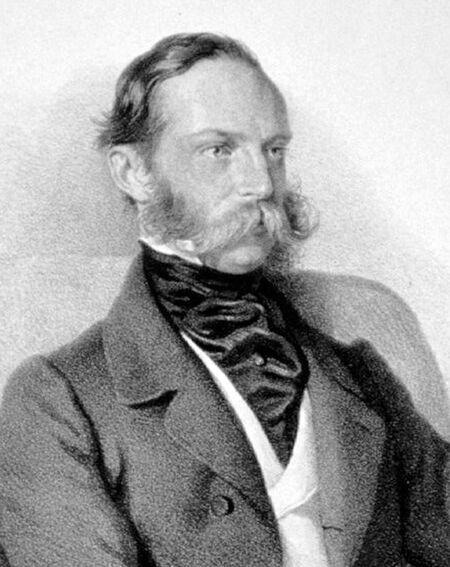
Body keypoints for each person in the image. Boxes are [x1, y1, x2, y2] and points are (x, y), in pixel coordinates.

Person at [0, 32, 449, 567]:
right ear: (134, 172)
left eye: (273, 151)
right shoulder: (58, 401)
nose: (261, 183)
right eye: (219, 150)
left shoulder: (362, 376)